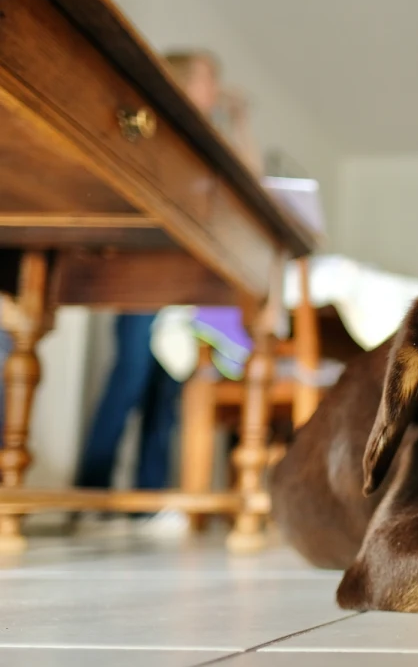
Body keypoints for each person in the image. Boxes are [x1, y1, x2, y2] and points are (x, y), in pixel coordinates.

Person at [73, 49, 262, 533]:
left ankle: (145, 503)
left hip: (181, 282)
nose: (216, 89)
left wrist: (238, 119)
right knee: (131, 377)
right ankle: (88, 494)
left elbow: (252, 181)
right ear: (183, 82)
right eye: (209, 80)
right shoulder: (154, 124)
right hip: (140, 274)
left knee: (166, 388)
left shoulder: (204, 141)